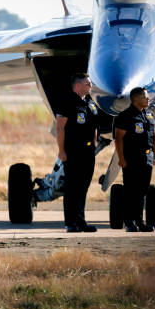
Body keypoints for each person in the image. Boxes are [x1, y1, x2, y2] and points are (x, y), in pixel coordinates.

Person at [55, 72, 98, 233]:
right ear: (78, 85)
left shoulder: (89, 102)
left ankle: (81, 221)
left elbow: (94, 125)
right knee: (72, 188)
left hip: (88, 151)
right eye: (88, 84)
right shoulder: (67, 102)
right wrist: (61, 151)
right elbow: (60, 128)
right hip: (73, 150)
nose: (91, 86)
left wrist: (94, 145)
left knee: (83, 187)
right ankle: (70, 222)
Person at [114, 86, 155, 232]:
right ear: (135, 99)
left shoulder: (149, 115)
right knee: (131, 191)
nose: (148, 98)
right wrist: (121, 158)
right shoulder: (126, 116)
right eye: (144, 96)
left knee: (142, 191)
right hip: (132, 158)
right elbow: (118, 138)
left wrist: (154, 154)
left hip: (147, 157)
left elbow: (154, 135)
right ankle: (129, 222)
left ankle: (140, 221)